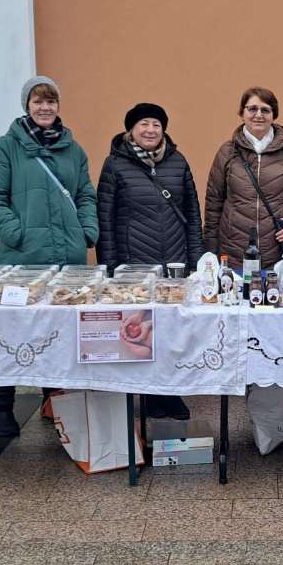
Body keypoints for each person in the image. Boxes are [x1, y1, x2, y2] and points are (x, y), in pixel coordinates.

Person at [0, 75, 99, 437]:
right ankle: (3, 406)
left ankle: (55, 401)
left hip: (68, 257)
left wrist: (87, 231)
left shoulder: (73, 150)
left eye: (51, 101)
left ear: (58, 107)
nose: (45, 108)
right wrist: (18, 234)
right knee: (13, 331)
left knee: (59, 331)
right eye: (38, 101)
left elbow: (85, 196)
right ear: (27, 106)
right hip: (22, 259)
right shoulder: (6, 147)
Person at [97, 102, 203, 419]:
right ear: (131, 129)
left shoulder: (178, 162)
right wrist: (111, 266)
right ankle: (147, 394)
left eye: (156, 125)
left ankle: (169, 395)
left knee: (172, 331)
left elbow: (193, 214)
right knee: (141, 331)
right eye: (143, 124)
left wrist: (196, 259)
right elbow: (106, 218)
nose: (150, 130)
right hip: (134, 265)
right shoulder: (115, 165)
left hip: (175, 262)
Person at [204, 86, 283, 270]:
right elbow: (213, 203)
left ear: (273, 115)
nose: (259, 115)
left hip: (279, 249)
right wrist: (210, 251)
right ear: (242, 113)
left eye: (265, 110)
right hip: (234, 250)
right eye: (252, 109)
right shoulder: (227, 152)